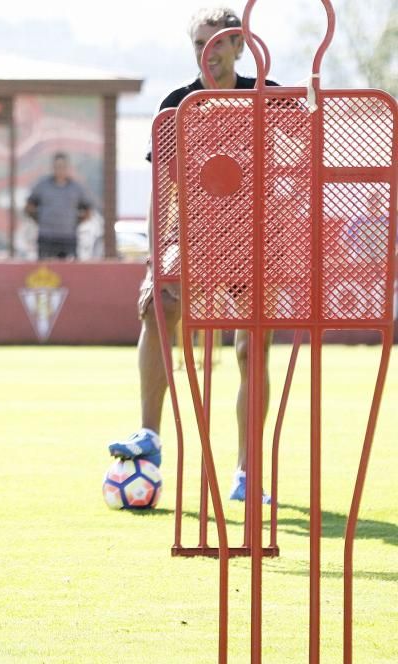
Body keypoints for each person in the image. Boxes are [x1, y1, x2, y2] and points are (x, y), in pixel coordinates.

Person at [107, 7, 278, 504]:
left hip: (253, 242)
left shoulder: (270, 97)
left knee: (251, 348)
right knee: (159, 300)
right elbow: (161, 189)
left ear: (238, 47)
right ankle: (150, 436)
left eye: (218, 42)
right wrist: (153, 260)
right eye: (200, 42)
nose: (209, 51)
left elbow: (302, 161)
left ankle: (248, 471)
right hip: (196, 238)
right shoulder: (177, 102)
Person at [24, 152, 94, 259]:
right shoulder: (43, 186)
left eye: (63, 167)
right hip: (46, 237)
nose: (60, 170)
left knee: (69, 271)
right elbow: (29, 206)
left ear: (67, 168)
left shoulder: (76, 188)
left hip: (68, 238)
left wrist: (75, 222)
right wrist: (40, 220)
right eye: (57, 167)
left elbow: (88, 209)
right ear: (53, 167)